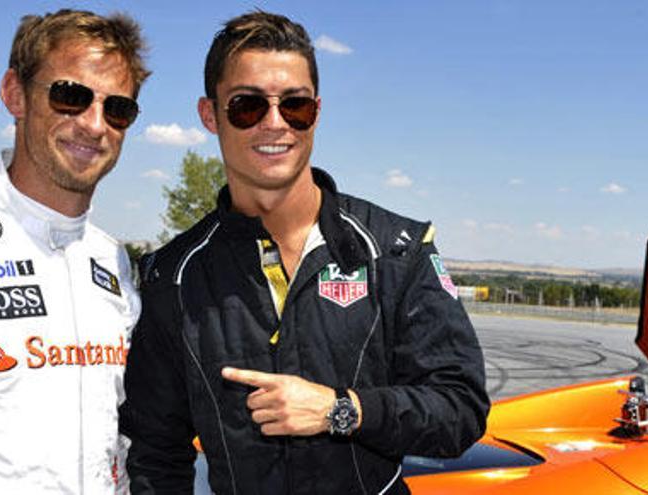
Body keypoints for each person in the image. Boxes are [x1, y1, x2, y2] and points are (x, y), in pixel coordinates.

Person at [120, 10, 489, 494]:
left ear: (316, 111)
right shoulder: (173, 275)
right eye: (247, 106)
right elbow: (155, 452)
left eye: (294, 106)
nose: (275, 124)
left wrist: (342, 409)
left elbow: (460, 409)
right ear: (210, 115)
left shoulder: (395, 250)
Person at [0, 9, 148, 493]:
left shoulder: (112, 261)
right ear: (14, 94)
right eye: (70, 96)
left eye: (117, 108)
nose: (94, 124)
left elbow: (116, 442)